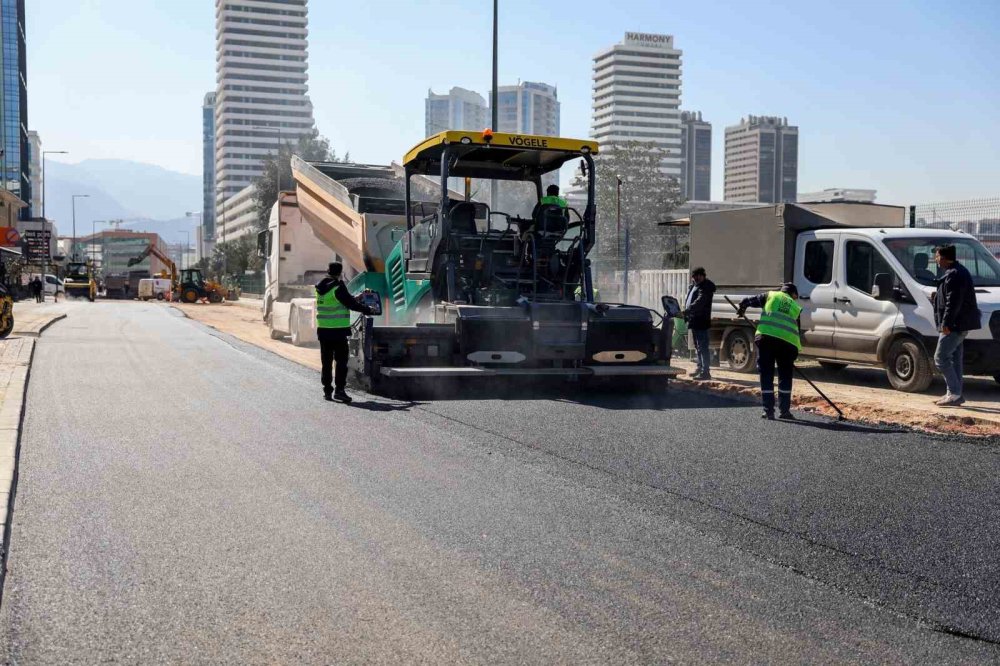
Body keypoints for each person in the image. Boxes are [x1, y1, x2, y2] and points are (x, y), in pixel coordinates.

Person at [738, 283, 802, 420]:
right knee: (785, 377)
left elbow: (746, 301)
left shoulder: (770, 295)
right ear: (793, 294)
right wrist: (793, 355)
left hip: (766, 340)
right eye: (796, 296)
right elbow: (797, 332)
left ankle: (768, 411)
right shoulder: (796, 307)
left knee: (766, 375)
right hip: (788, 344)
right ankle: (784, 411)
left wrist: (742, 309)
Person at [315, 262, 374, 403]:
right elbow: (350, 304)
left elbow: (342, 300)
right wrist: (368, 309)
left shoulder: (319, 287)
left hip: (323, 331)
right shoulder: (338, 286)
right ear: (340, 273)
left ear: (328, 271)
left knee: (326, 362)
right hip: (338, 331)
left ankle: (327, 391)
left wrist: (358, 297)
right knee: (341, 362)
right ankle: (340, 391)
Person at [932, 244, 981, 407]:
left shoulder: (954, 274)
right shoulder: (956, 272)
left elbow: (953, 302)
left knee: (940, 358)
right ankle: (954, 394)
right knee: (954, 359)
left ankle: (954, 393)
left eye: (937, 256)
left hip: (954, 325)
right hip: (958, 324)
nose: (935, 259)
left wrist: (946, 323)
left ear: (944, 258)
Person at [682, 267, 715, 380]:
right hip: (694, 320)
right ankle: (700, 368)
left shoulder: (706, 287)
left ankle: (705, 372)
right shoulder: (694, 286)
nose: (696, 278)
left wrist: (687, 311)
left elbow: (700, 302)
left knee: (703, 347)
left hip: (701, 321)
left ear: (703, 276)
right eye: (694, 276)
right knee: (698, 347)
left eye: (698, 276)